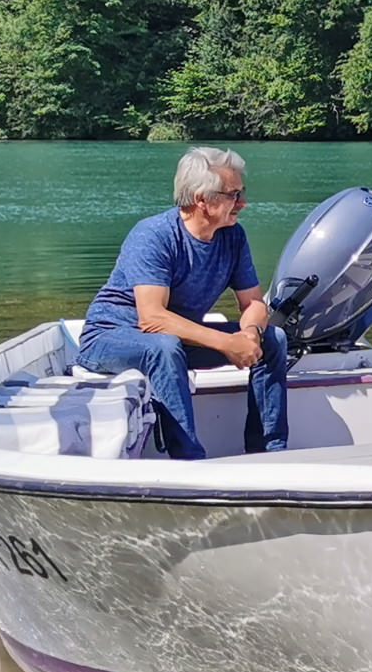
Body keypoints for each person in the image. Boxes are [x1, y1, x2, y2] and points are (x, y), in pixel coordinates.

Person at [74, 146, 289, 459]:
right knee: (163, 346)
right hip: (109, 338)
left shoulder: (233, 236)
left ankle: (268, 451)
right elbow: (152, 318)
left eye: (242, 192)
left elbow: (254, 302)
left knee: (275, 338)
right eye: (233, 194)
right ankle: (188, 460)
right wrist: (226, 342)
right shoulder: (154, 235)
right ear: (202, 199)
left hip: (172, 341)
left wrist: (250, 335)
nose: (243, 202)